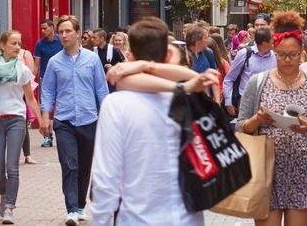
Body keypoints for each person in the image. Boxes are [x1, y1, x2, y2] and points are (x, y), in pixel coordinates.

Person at [90, 17, 218, 226]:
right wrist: (148, 66)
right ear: (168, 55)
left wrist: (101, 220)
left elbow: (106, 175)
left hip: (136, 219)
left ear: (129, 56)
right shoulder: (191, 97)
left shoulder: (116, 104)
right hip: (187, 218)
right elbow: (188, 76)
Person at [237, 10, 307, 226]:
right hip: (265, 172)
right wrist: (258, 120)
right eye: (281, 54)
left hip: (304, 171)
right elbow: (239, 128)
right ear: (273, 50)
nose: (287, 60)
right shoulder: (257, 82)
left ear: (301, 51)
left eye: (292, 54)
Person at [38, 15, 109, 226]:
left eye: (68, 31)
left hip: (89, 119)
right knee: (69, 165)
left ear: (78, 33)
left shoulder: (92, 59)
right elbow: (48, 90)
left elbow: (101, 90)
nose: (64, 35)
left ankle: (79, 206)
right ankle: (71, 210)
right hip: (64, 120)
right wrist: (45, 116)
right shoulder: (54, 62)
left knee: (84, 166)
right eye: (60, 32)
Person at [0, 30, 43, 225]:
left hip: (16, 120)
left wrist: (42, 122)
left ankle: (10, 207)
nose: (17, 47)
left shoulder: (22, 69)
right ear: (2, 45)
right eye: (13, 43)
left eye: (19, 43)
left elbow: (30, 98)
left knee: (12, 167)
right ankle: (3, 195)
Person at [223, 26, 276, 117]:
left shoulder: (275, 57)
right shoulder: (244, 54)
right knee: (245, 129)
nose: (275, 42)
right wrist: (228, 102)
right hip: (246, 101)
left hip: (269, 102)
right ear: (264, 44)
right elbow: (229, 78)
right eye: (272, 40)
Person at [33, 19, 63, 148]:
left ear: (52, 28)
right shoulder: (40, 44)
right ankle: (47, 137)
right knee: (46, 109)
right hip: (45, 78)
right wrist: (32, 80)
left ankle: (63, 134)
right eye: (42, 29)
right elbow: (36, 64)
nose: (43, 31)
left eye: (45, 28)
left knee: (60, 107)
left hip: (61, 78)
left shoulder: (61, 40)